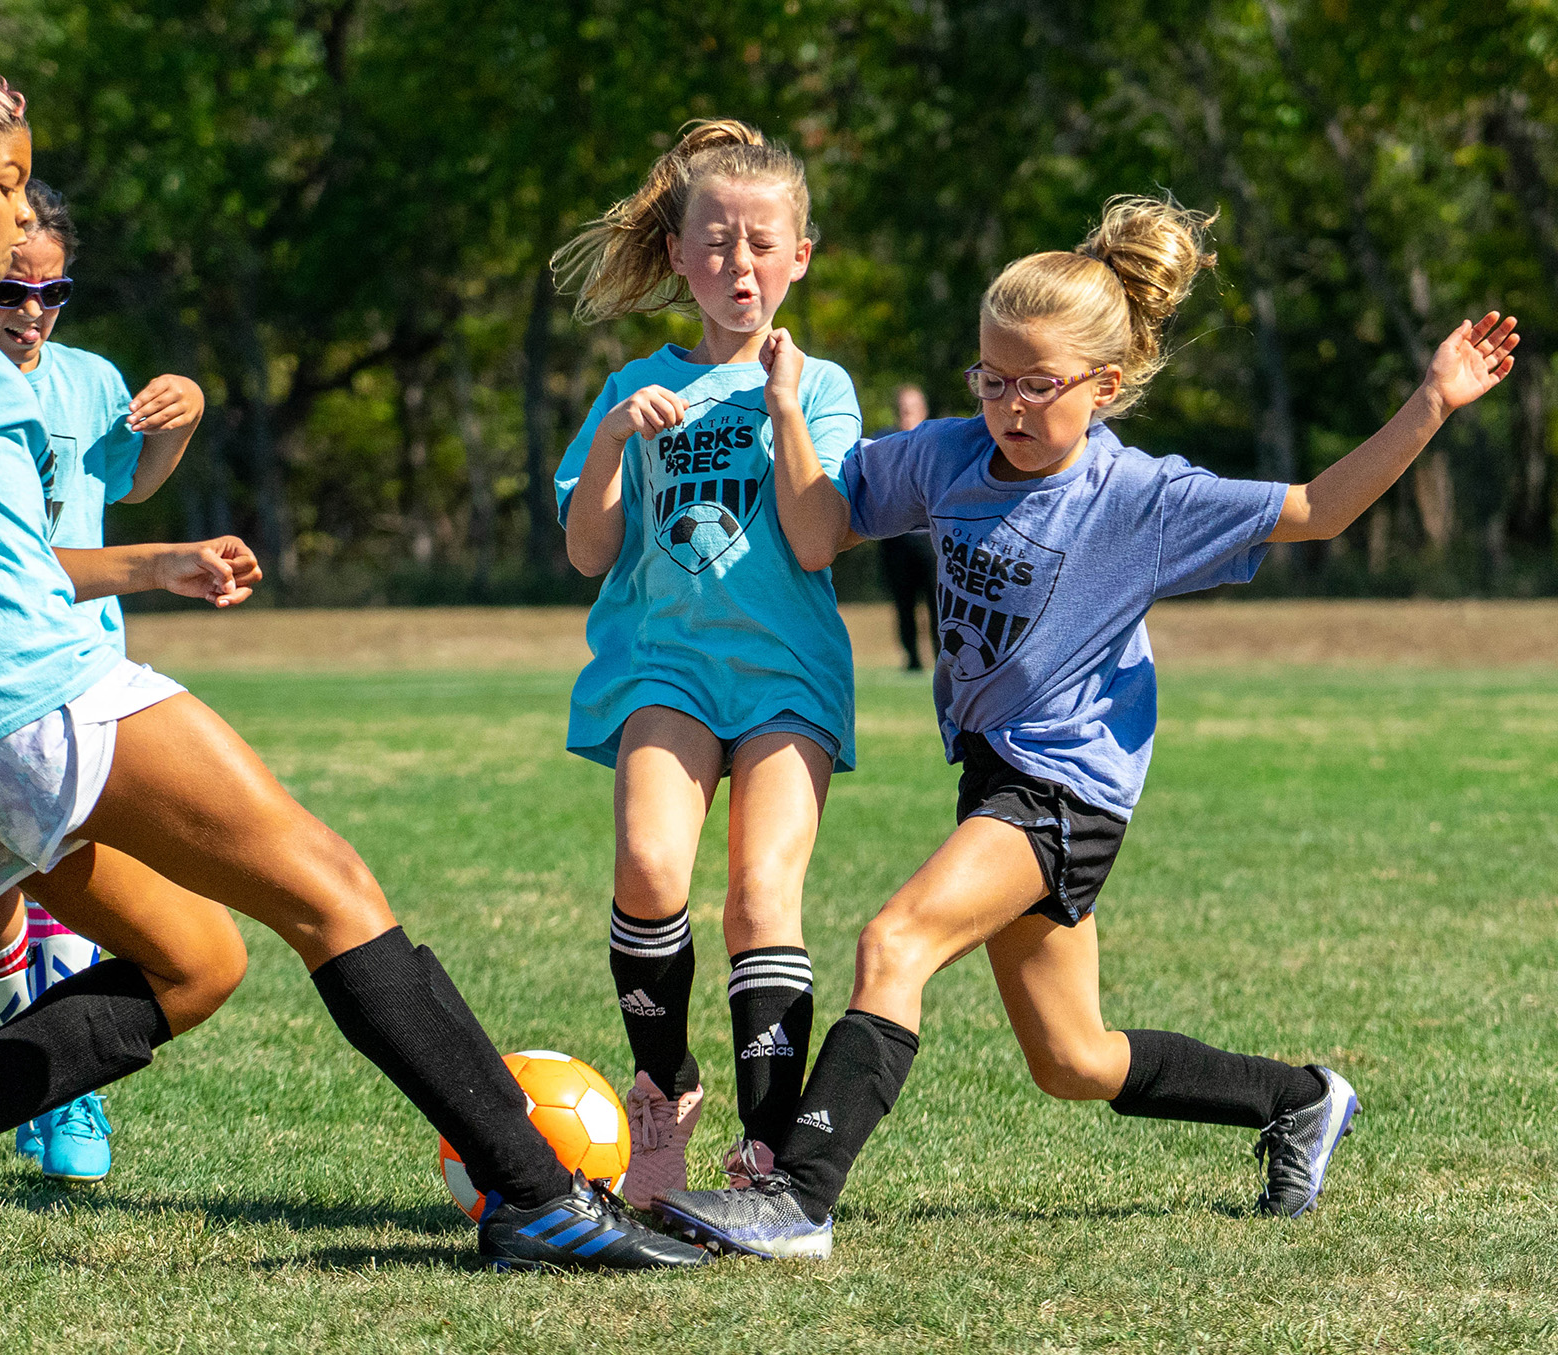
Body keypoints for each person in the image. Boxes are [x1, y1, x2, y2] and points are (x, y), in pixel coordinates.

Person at [0, 60, 702, 1271]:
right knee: (329, 885)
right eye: (5, 185)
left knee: (198, 961)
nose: (19, 213)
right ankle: (532, 1192)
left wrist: (150, 559)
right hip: (30, 693)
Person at [651, 195, 1518, 1258]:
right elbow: (822, 527)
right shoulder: (946, 455)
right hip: (994, 776)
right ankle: (1299, 1097)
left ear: (1105, 388)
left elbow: (1318, 507)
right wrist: (788, 411)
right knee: (1072, 1059)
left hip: (1065, 789)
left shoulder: (1139, 498)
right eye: (992, 375)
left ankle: (797, 1198)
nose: (1009, 404)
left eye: (1038, 384)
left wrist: (1433, 398)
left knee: (895, 939)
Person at [551, 119, 862, 1208]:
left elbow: (821, 537)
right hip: (664, 665)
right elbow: (590, 550)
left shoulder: (821, 386)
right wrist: (607, 442)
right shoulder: (633, 385)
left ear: (799, 256)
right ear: (679, 256)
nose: (739, 263)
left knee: (759, 894)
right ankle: (664, 1083)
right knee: (647, 869)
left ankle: (765, 1156)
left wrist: (782, 407)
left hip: (786, 673)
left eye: (761, 242)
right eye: (716, 241)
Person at [0, 179, 205, 1182]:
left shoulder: (91, 380)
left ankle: (64, 1086)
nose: (32, 315)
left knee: (72, 873)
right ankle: (35, 1062)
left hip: (80, 666)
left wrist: (182, 411)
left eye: (53, 293)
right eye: (10, 291)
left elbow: (130, 481)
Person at [873, 384, 938, 671]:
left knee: (940, 603)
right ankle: (911, 659)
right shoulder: (885, 442)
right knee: (904, 602)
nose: (906, 414)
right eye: (902, 409)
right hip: (897, 541)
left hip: (933, 542)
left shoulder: (939, 443)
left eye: (911, 408)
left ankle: (943, 659)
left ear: (923, 411)